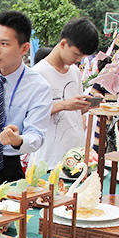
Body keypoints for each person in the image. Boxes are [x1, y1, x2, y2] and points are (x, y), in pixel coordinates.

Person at [0, 11, 53, 184]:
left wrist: (18, 140)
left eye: (4, 44)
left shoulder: (39, 87)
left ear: (24, 48)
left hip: (8, 164)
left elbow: (36, 134)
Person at [33, 17, 100, 168]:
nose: (79, 59)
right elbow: (30, 116)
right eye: (77, 54)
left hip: (77, 155)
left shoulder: (75, 72)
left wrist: (85, 106)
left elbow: (74, 114)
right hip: (49, 159)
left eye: (83, 56)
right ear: (63, 44)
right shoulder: (37, 73)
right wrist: (63, 105)